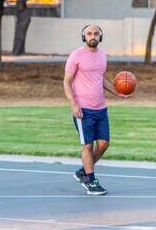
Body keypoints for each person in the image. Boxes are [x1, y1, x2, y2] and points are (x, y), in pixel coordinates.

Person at [63, 24, 133, 196]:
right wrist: (73, 105)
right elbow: (66, 82)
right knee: (88, 145)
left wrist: (118, 92)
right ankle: (92, 181)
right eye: (89, 34)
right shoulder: (76, 56)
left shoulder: (102, 56)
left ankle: (83, 172)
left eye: (96, 34)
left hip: (100, 108)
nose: (92, 36)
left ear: (100, 37)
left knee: (103, 144)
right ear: (84, 37)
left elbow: (101, 79)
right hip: (83, 109)